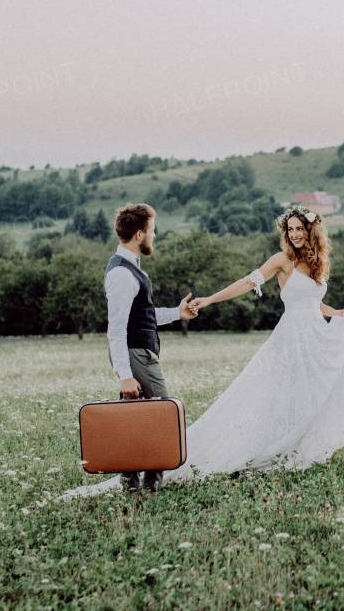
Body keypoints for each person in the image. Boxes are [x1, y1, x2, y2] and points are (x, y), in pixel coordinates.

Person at [61, 205, 344, 499]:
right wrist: (208, 300)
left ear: (311, 230)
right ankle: (147, 481)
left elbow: (312, 301)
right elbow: (248, 282)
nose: (295, 235)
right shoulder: (282, 260)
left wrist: (333, 313)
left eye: (299, 229)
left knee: (312, 393)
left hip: (314, 336)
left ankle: (310, 448)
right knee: (258, 397)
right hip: (290, 340)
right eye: (290, 230)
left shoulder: (316, 262)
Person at [104, 203, 199, 494]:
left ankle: (132, 486)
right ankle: (150, 487)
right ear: (138, 234)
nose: (154, 237)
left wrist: (177, 313)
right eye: (152, 232)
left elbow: (143, 316)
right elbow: (117, 329)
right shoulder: (122, 274)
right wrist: (125, 375)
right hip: (136, 356)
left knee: (136, 420)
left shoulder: (130, 269)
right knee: (163, 415)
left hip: (136, 353)